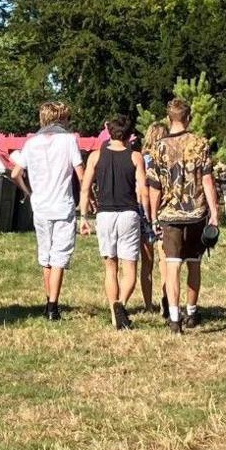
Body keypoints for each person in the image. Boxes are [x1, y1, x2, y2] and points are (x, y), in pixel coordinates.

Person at [146, 99, 220, 334]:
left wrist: (153, 215)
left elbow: (154, 186)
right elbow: (208, 180)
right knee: (194, 264)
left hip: (169, 214)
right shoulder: (200, 143)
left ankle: (175, 318)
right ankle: (192, 311)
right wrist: (214, 212)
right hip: (196, 212)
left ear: (169, 119)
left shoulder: (158, 147)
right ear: (188, 118)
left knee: (172, 266)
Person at [11, 102, 86, 321]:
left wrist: (28, 192)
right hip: (62, 205)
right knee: (59, 257)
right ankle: (53, 305)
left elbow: (16, 172)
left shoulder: (31, 142)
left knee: (46, 255)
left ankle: (48, 301)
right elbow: (80, 174)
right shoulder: (69, 140)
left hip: (40, 205)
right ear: (61, 119)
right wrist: (87, 200)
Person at [80, 115, 148, 329]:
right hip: (128, 213)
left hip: (105, 214)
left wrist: (83, 216)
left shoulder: (95, 156)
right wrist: (149, 215)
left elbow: (85, 187)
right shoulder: (135, 157)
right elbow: (144, 191)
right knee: (130, 269)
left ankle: (113, 312)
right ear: (129, 134)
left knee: (111, 267)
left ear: (109, 132)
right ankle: (122, 304)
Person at [140, 122, 168, 314]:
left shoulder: (141, 159)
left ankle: (148, 304)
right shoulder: (165, 159)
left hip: (143, 212)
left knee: (146, 262)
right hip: (162, 211)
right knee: (165, 260)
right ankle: (166, 300)